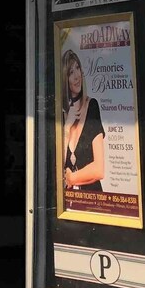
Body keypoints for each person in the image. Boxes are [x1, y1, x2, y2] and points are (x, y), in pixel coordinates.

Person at [61, 48, 105, 194]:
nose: (77, 76)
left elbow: (99, 169)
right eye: (70, 72)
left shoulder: (92, 106)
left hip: (92, 199)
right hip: (68, 202)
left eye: (77, 68)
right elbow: (57, 167)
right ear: (64, 79)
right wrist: (66, 130)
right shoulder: (61, 114)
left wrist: (72, 178)